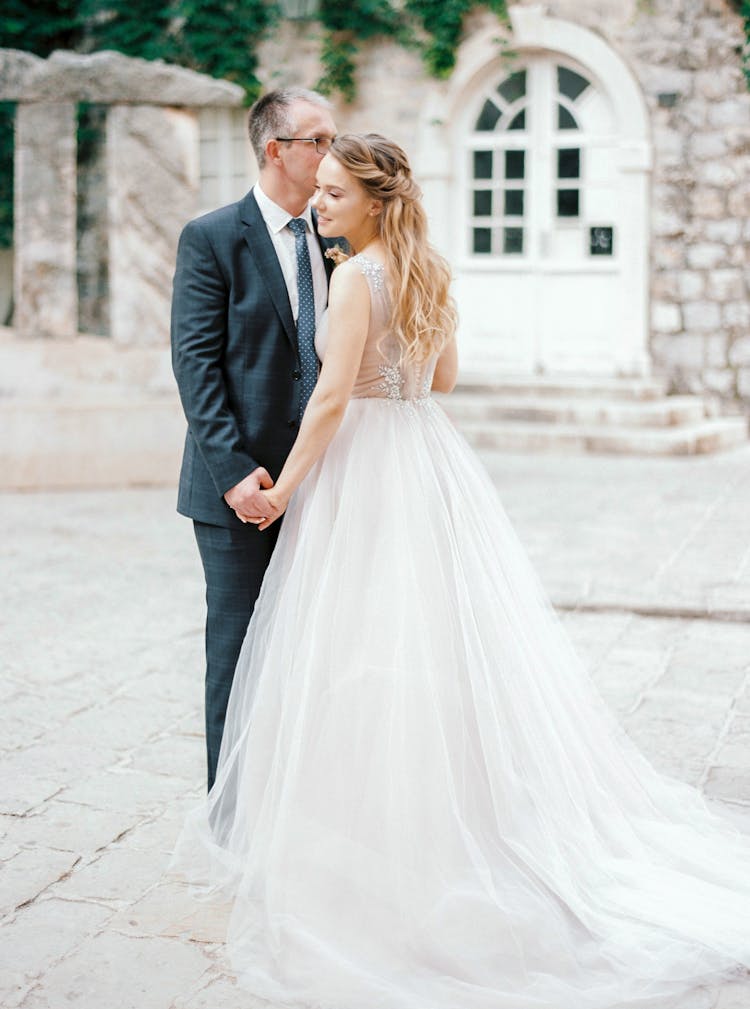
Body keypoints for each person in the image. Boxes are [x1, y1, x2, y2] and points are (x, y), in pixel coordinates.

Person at [170, 134, 750, 1008]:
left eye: (332, 193)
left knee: (344, 640)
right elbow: (441, 377)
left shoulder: (355, 277)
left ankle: (364, 835)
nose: (318, 205)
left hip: (362, 465)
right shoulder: (430, 269)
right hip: (425, 458)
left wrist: (284, 489)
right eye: (316, 189)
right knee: (425, 642)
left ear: (370, 199)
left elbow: (329, 399)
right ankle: (428, 818)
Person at [170, 87, 340, 791]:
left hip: (327, 476)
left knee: (321, 642)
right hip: (238, 488)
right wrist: (236, 470)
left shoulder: (340, 236)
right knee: (238, 647)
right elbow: (195, 362)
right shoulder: (212, 237)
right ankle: (230, 810)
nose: (334, 153)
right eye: (319, 141)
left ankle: (297, 802)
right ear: (276, 150)